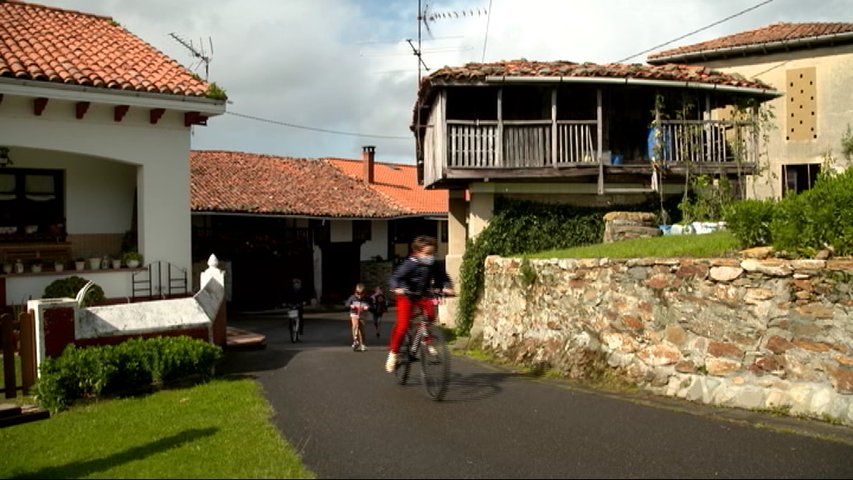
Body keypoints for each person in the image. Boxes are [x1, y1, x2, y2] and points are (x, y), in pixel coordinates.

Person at [385, 235, 454, 373]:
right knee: (403, 326)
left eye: (433, 253)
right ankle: (393, 353)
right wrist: (396, 288)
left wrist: (447, 287)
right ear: (417, 253)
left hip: (422, 294)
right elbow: (395, 278)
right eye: (427, 253)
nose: (431, 256)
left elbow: (443, 277)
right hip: (406, 295)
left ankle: (427, 340)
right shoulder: (409, 264)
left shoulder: (434, 264)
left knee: (430, 315)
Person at [344, 283, 370, 352]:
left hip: (362, 314)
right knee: (355, 326)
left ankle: (363, 344)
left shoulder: (366, 298)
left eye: (361, 293)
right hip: (354, 313)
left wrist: (367, 307)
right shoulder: (352, 297)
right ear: (355, 291)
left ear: (364, 292)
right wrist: (350, 306)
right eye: (358, 293)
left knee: (361, 329)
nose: (359, 295)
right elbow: (347, 304)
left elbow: (371, 304)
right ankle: (355, 341)